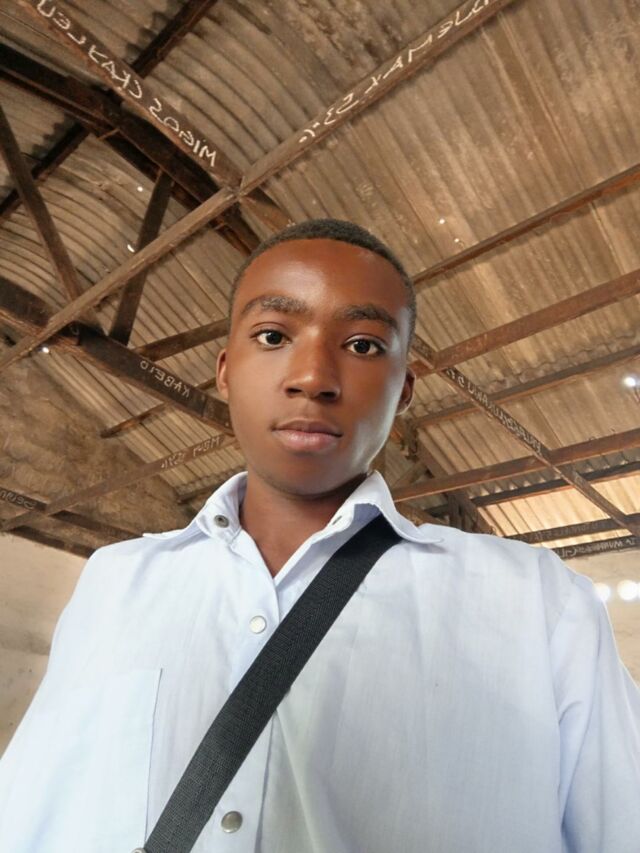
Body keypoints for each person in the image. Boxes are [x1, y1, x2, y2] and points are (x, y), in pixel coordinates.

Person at [0, 218, 638, 853]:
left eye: (362, 345)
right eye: (273, 335)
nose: (312, 377)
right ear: (225, 371)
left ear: (403, 390)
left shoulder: (536, 603)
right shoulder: (118, 581)